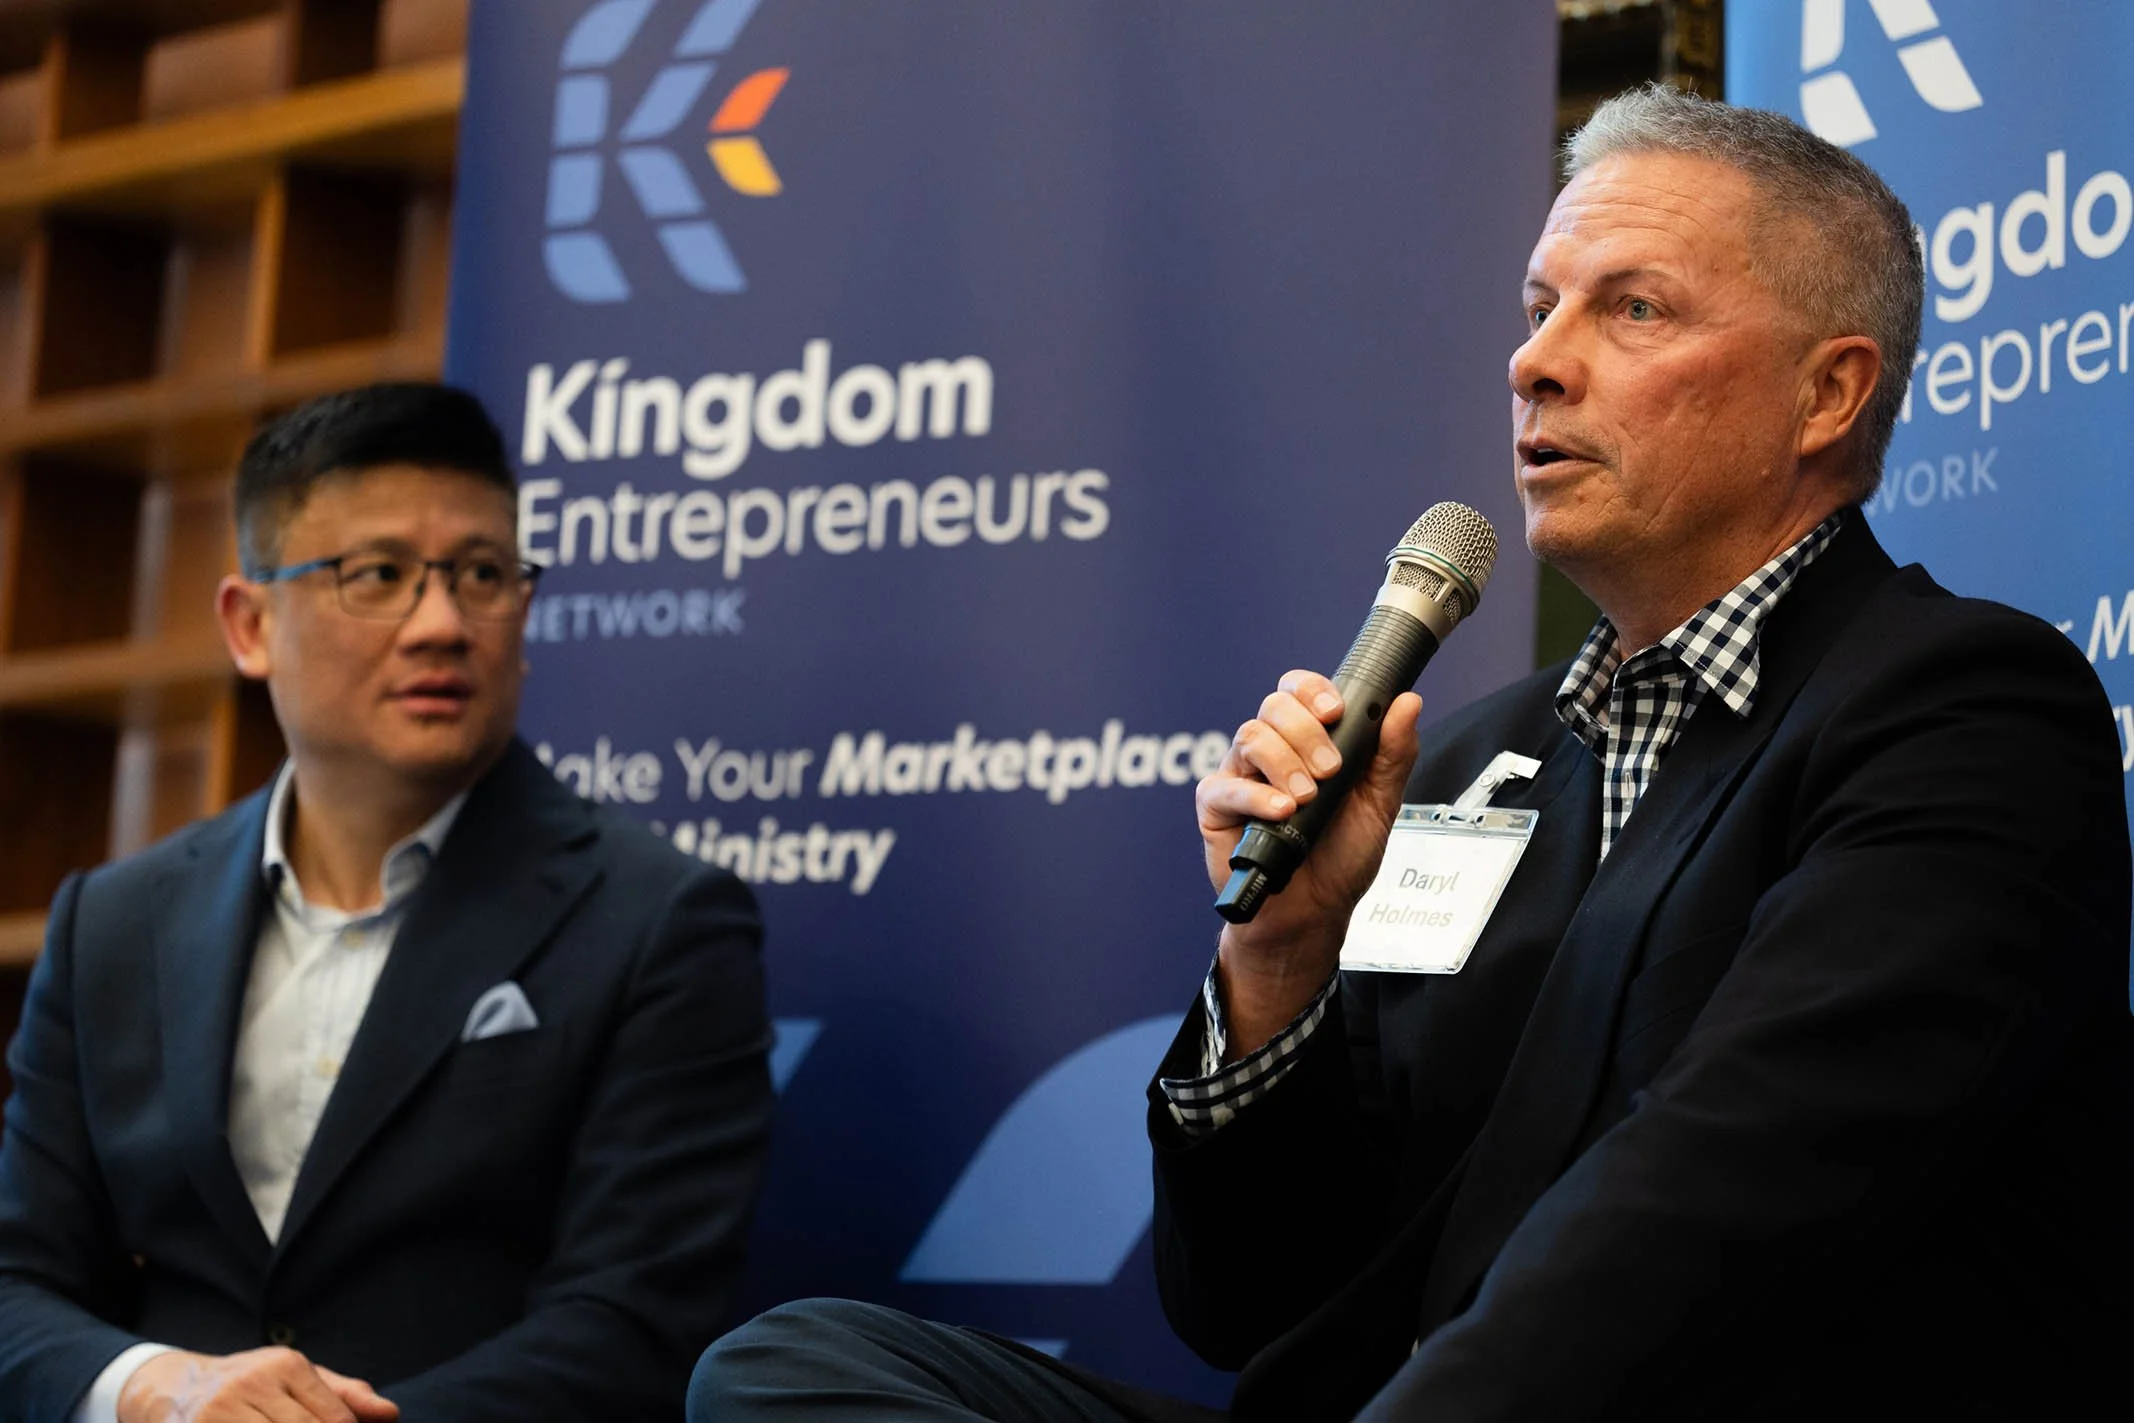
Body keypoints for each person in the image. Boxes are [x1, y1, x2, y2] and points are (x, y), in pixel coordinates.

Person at [689, 85, 2133, 1420]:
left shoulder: (1957, 710)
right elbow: (1246, 1301)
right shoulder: (1459, 765)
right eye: (1535, 306)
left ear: (1826, 394)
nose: (1536, 360)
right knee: (795, 1364)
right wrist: (1276, 975)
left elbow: (1736, 1179)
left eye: (1630, 309)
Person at [0, 384, 777, 1423]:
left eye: (484, 575)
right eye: (379, 577)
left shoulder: (660, 920)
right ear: (249, 624)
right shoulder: (113, 920)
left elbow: (633, 1324)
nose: (444, 624)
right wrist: (157, 1388)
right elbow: (15, 1282)